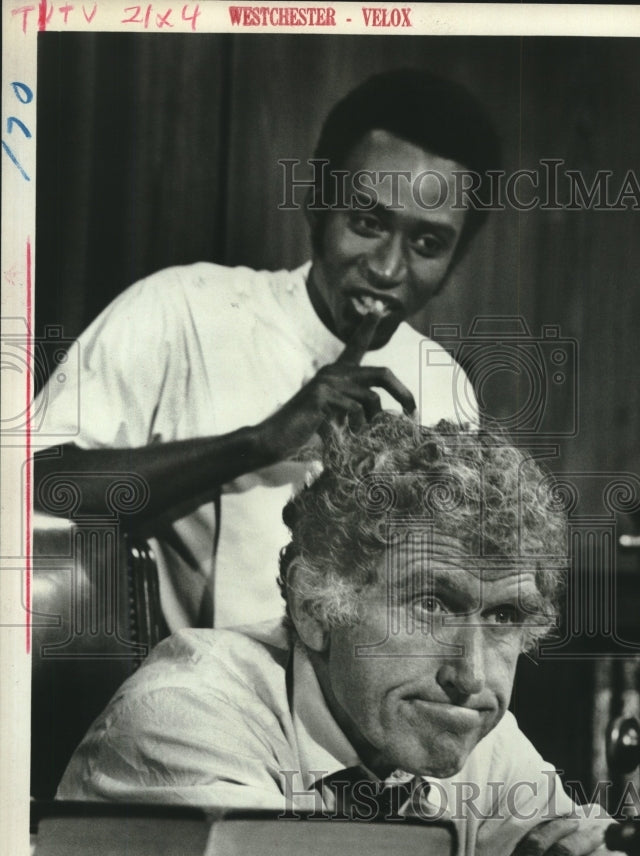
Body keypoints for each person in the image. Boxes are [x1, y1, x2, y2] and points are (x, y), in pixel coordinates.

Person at [58, 415, 634, 856]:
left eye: (505, 617)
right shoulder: (182, 713)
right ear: (314, 606)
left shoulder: (467, 722)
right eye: (431, 604)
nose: (472, 675)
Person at [33, 68, 499, 631]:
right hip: (204, 700)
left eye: (427, 243)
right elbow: (37, 483)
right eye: (367, 222)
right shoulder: (184, 307)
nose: (387, 269)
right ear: (315, 204)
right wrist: (256, 444)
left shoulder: (443, 384)